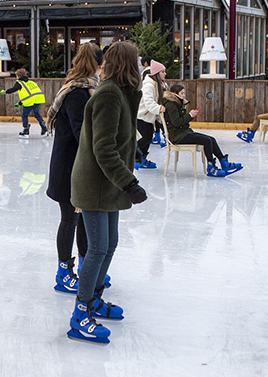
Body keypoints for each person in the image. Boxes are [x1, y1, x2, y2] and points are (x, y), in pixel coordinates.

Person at [67, 41, 147, 344]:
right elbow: (103, 147)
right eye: (137, 62)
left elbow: (120, 137)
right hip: (95, 182)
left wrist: (135, 152)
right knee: (98, 248)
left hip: (108, 182)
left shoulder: (122, 94)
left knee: (109, 243)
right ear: (128, 63)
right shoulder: (109, 94)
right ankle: (80, 314)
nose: (140, 67)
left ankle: (95, 299)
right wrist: (129, 182)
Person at [46, 42, 104, 294]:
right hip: (69, 168)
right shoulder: (78, 92)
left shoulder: (86, 89)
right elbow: (82, 132)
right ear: (98, 65)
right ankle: (63, 271)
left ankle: (83, 267)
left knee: (80, 219)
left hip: (77, 166)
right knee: (70, 219)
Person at [161, 84, 244, 177]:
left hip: (182, 133)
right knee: (207, 141)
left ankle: (224, 162)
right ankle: (211, 168)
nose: (184, 95)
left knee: (211, 139)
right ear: (174, 94)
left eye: (184, 93)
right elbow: (176, 123)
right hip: (177, 136)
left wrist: (190, 116)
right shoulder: (171, 105)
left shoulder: (176, 103)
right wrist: (190, 115)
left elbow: (180, 122)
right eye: (182, 93)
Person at [135, 58, 167, 169]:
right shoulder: (148, 85)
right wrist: (159, 109)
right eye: (163, 72)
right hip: (141, 115)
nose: (165, 74)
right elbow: (149, 102)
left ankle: (141, 157)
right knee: (147, 136)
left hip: (148, 116)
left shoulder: (159, 85)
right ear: (157, 73)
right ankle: (134, 154)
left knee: (149, 136)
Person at [0, 68, 47, 138]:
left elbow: (14, 89)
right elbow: (29, 94)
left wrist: (5, 91)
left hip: (30, 100)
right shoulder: (31, 82)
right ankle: (44, 126)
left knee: (24, 115)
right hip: (38, 98)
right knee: (36, 113)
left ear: (18, 76)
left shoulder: (19, 82)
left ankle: (26, 130)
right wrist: (19, 103)